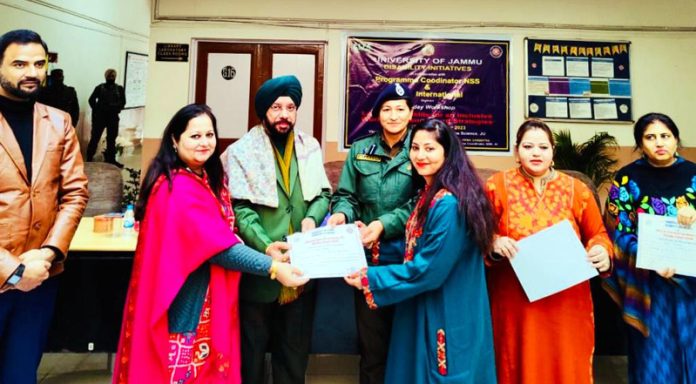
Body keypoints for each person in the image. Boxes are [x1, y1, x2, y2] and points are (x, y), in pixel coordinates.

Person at [112, 104, 307, 383]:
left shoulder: (203, 177)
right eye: (194, 136)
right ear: (174, 140)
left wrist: (264, 248)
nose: (204, 142)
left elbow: (221, 232)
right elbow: (219, 247)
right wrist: (273, 268)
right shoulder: (177, 188)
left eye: (209, 134)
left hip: (207, 295)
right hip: (185, 302)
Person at [345, 119, 498, 383]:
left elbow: (429, 269)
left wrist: (370, 278)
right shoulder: (430, 194)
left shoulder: (448, 203)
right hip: (425, 300)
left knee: (441, 373)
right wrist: (372, 236)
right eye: (415, 148)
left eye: (430, 149)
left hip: (445, 306)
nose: (420, 156)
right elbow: (418, 247)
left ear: (447, 153)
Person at [484, 118, 613, 384]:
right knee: (516, 362)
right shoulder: (496, 187)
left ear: (553, 151)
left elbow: (598, 234)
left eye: (543, 147)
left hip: (567, 300)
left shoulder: (577, 190)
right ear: (516, 150)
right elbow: (478, 234)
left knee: (566, 364)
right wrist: (494, 242)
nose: (535, 153)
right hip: (515, 299)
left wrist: (600, 250)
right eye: (528, 146)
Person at [221, 75, 331, 384]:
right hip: (260, 272)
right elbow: (240, 209)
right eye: (276, 107)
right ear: (263, 111)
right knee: (251, 354)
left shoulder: (309, 146)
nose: (284, 114)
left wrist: (311, 219)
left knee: (294, 353)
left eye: (290, 107)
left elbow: (323, 195)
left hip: (303, 270)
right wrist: (267, 247)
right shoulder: (242, 150)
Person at [0, 29, 89, 383]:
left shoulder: (58, 121)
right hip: (8, 271)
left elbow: (75, 193)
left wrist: (49, 254)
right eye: (19, 64)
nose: (32, 72)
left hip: (40, 277)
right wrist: (14, 270)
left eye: (39, 63)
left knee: (21, 372)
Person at [328, 82, 417, 384]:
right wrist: (342, 213)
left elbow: (420, 201)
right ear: (377, 115)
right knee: (372, 345)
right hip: (368, 260)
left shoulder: (422, 149)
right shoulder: (360, 150)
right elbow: (346, 195)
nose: (393, 116)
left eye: (400, 109)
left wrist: (383, 224)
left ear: (411, 113)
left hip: (409, 260)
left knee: (408, 343)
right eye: (386, 110)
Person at [603, 112, 696, 384]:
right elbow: (617, 231)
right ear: (640, 144)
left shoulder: (694, 176)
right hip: (648, 283)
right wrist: (650, 257)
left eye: (665, 136)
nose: (659, 143)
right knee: (655, 356)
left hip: (692, 285)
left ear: (676, 139)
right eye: (650, 137)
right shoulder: (627, 179)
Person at [86, 68, 126, 167]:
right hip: (100, 117)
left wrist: (117, 108)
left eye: (113, 76)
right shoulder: (100, 88)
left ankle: (111, 160)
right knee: (95, 138)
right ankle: (89, 159)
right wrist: (96, 110)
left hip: (113, 117)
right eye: (109, 76)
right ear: (106, 77)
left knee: (111, 139)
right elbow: (91, 100)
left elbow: (123, 102)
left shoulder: (119, 88)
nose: (111, 78)